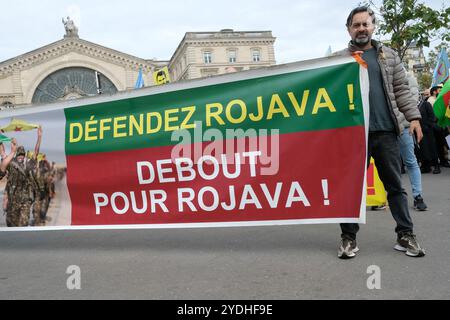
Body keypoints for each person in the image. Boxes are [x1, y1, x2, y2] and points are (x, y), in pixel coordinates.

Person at [335, 6, 425, 259]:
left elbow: (401, 91)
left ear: (373, 26)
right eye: (356, 25)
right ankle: (348, 238)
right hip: (354, 136)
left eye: (366, 24)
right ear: (349, 29)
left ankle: (405, 235)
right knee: (351, 188)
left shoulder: (389, 56)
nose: (361, 29)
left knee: (395, 187)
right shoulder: (340, 60)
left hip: (386, 132)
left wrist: (414, 118)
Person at [3, 127, 42, 227]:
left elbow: (36, 153)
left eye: (22, 155)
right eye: (19, 154)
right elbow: (3, 154)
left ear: (24, 156)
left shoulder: (28, 165)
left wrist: (39, 137)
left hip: (25, 202)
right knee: (11, 225)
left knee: (23, 225)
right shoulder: (11, 164)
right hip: (12, 203)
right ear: (16, 155)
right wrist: (1, 139)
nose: (21, 156)